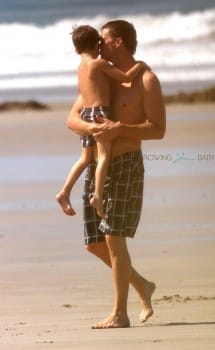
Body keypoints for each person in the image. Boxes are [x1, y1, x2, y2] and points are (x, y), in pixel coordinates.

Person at [67, 20, 166, 328]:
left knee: (113, 239)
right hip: (97, 165)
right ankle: (142, 285)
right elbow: (73, 119)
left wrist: (120, 128)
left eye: (104, 40)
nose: (99, 44)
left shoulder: (146, 80)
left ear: (118, 42)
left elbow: (158, 130)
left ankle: (119, 313)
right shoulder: (102, 75)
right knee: (93, 243)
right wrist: (94, 127)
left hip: (125, 164)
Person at [56, 25, 147, 218]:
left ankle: (64, 192)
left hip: (86, 113)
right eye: (99, 44)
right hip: (100, 113)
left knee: (85, 159)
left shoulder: (80, 68)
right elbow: (126, 76)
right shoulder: (97, 64)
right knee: (103, 157)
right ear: (95, 46)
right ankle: (97, 196)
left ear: (76, 49)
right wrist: (141, 65)